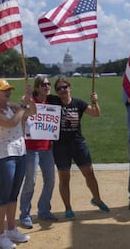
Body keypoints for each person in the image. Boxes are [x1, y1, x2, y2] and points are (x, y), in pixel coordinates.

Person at [48, 77, 109, 220]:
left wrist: (95, 101)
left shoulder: (78, 103)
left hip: (77, 143)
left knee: (89, 173)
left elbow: (95, 113)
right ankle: (68, 208)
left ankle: (97, 199)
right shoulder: (54, 101)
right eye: (59, 89)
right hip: (60, 146)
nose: (62, 90)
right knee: (64, 178)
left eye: (64, 87)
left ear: (70, 88)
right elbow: (37, 97)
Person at [0, 79, 37, 249]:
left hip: (20, 153)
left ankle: (11, 229)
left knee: (13, 195)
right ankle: (0, 235)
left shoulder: (14, 107)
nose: (7, 92)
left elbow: (33, 112)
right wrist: (22, 108)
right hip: (3, 156)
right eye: (3, 90)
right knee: (3, 196)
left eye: (9, 89)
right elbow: (10, 123)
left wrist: (29, 100)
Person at [19, 76, 57, 229]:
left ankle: (44, 210)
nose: (46, 86)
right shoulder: (29, 100)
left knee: (50, 180)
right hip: (31, 148)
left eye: (48, 84)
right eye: (43, 84)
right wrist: (27, 98)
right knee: (30, 181)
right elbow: (22, 115)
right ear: (36, 87)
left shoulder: (52, 102)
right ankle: (25, 214)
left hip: (47, 148)